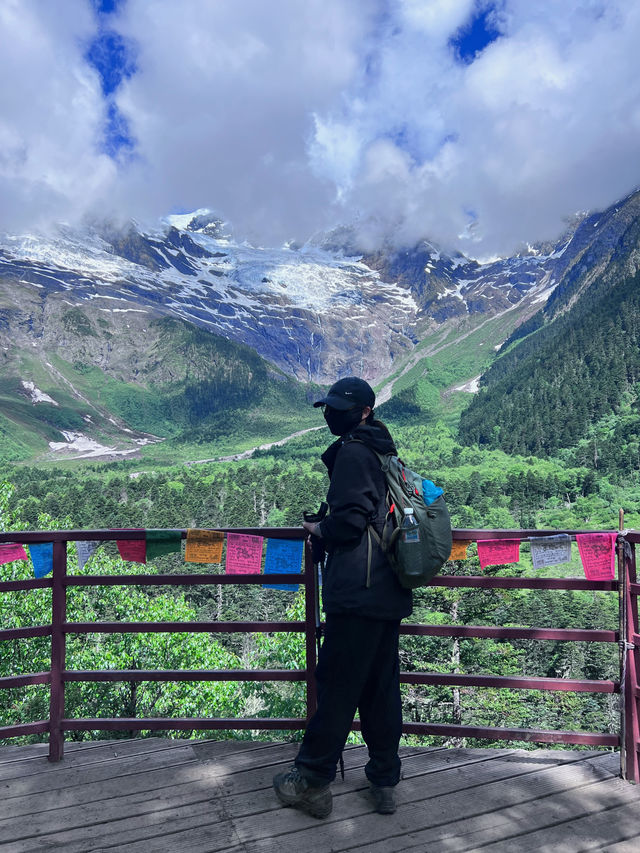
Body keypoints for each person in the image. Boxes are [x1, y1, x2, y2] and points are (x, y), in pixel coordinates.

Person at [272, 377, 413, 818]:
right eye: (328, 405)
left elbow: (349, 522)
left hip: (359, 590)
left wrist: (317, 530)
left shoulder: (354, 452)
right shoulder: (383, 449)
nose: (330, 413)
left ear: (364, 411)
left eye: (338, 406)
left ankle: (311, 781)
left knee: (337, 685)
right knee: (379, 687)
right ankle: (384, 782)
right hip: (387, 587)